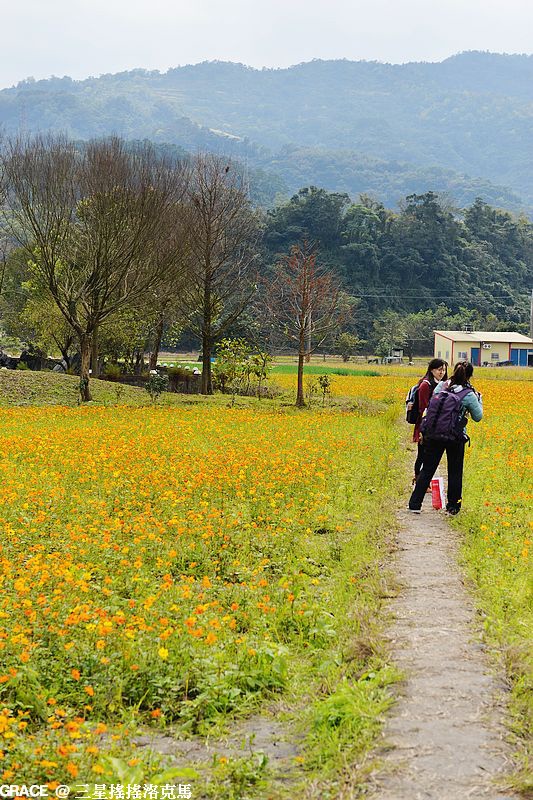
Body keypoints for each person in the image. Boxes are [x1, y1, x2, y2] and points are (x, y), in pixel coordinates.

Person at [408, 361, 483, 515]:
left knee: (428, 468)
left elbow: (432, 404)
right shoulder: (468, 394)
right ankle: (453, 507)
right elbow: (478, 416)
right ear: (469, 376)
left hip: (435, 433)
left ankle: (414, 504)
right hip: (455, 436)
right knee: (455, 471)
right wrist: (479, 400)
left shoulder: (442, 386)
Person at [412, 359, 448, 483]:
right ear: (432, 370)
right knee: (422, 454)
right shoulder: (425, 385)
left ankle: (423, 481)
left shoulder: (442, 384)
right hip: (425, 424)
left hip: (435, 424)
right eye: (439, 370)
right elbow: (423, 407)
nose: (442, 372)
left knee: (429, 455)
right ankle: (418, 478)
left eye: (443, 370)